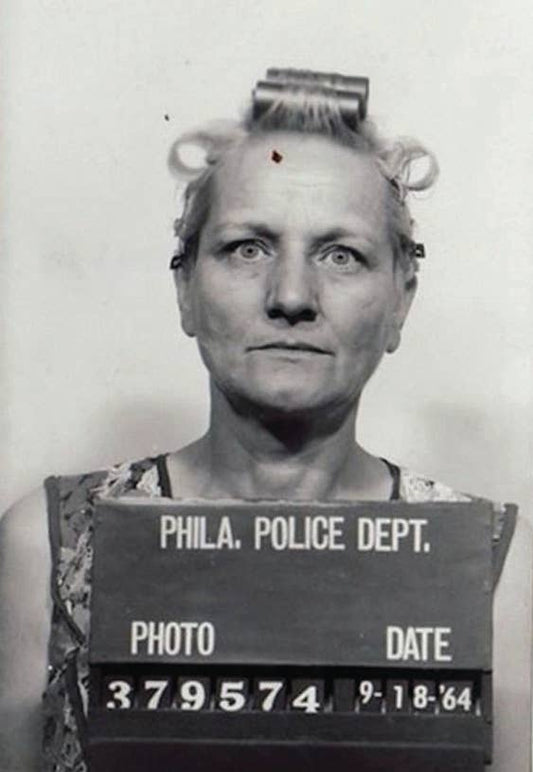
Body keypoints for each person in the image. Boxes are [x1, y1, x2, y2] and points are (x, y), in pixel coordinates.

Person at [0, 68, 516, 771]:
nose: (291, 296)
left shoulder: (495, 571)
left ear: (400, 300)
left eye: (341, 255)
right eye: (248, 247)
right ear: (185, 288)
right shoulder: (47, 546)